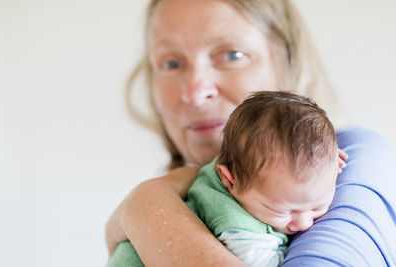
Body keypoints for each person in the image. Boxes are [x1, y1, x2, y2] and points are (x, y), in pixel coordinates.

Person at [105, 0, 396, 266]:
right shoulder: (191, 189)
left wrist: (148, 209)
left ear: (289, 60)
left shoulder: (360, 159)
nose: (195, 92)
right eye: (171, 63)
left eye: (232, 55)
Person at [107, 91, 347, 266]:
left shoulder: (249, 165)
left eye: (317, 206)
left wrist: (323, 164)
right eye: (283, 211)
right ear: (230, 180)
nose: (304, 223)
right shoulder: (238, 229)